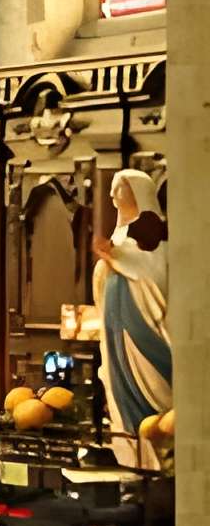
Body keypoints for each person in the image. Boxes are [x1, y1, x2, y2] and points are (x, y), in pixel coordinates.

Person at [94, 167, 172, 459]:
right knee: (120, 372)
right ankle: (130, 440)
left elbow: (155, 271)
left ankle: (158, 439)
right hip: (117, 314)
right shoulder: (122, 231)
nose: (113, 194)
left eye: (120, 187)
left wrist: (115, 256)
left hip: (141, 313)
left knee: (149, 373)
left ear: (138, 192)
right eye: (113, 188)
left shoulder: (151, 226)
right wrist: (108, 259)